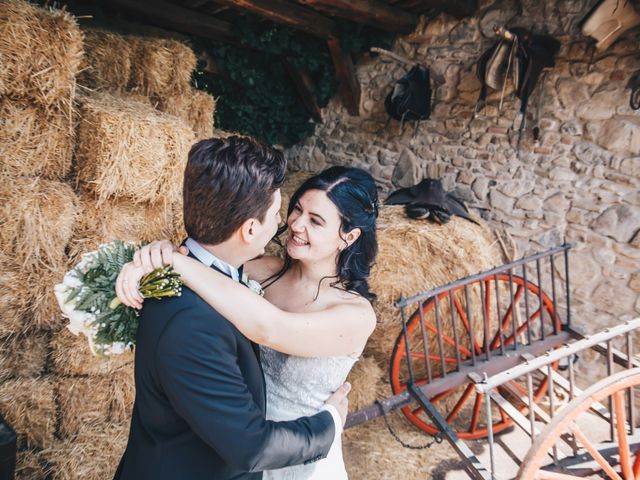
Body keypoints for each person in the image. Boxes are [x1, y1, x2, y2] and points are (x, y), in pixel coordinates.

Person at [117, 165, 380, 479]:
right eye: (297, 209)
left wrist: (176, 262)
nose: (296, 224)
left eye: (316, 221)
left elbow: (271, 329)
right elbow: (213, 263)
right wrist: (158, 255)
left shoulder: (355, 314)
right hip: (231, 442)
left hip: (298, 451)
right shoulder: (260, 271)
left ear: (348, 237)